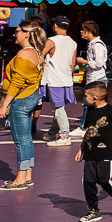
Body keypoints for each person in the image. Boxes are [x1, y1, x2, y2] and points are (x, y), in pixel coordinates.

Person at [0, 20, 48, 188]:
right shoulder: (36, 53)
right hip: (30, 96)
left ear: (27, 34)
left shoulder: (23, 54)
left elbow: (17, 82)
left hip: (21, 98)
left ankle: (20, 179)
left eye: (17, 31)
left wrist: (4, 104)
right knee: (27, 138)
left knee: (21, 140)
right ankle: (27, 174)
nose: (14, 34)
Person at [75, 80, 112, 222]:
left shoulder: (111, 111)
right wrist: (81, 149)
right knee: (88, 181)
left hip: (107, 151)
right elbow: (89, 132)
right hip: (90, 152)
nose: (84, 99)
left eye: (86, 96)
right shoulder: (90, 112)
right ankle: (93, 210)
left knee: (105, 179)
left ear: (95, 98)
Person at [40, 17, 78, 146]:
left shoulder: (52, 41)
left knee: (58, 109)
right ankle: (52, 133)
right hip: (66, 79)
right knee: (58, 108)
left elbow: (40, 55)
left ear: (55, 26)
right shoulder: (73, 43)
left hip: (54, 79)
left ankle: (64, 135)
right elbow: (73, 63)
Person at [73, 20, 108, 136]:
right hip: (93, 77)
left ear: (89, 31)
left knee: (89, 103)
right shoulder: (92, 44)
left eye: (83, 30)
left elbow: (99, 63)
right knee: (90, 104)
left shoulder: (97, 45)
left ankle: (84, 127)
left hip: (97, 78)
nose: (81, 32)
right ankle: (89, 126)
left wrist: (85, 62)